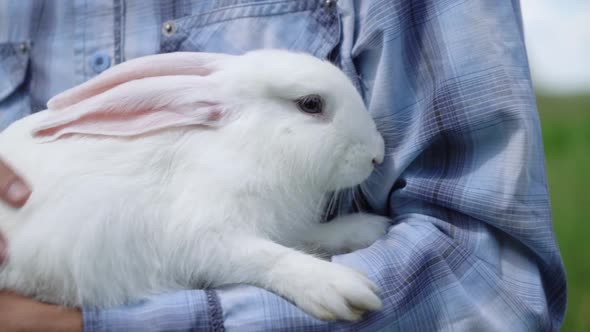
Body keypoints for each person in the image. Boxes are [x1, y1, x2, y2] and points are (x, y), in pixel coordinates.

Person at [0, 0, 567, 331]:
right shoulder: (217, 144)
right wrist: (291, 269)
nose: (374, 153)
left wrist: (87, 327)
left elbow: (491, 285)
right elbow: (208, 242)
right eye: (314, 108)